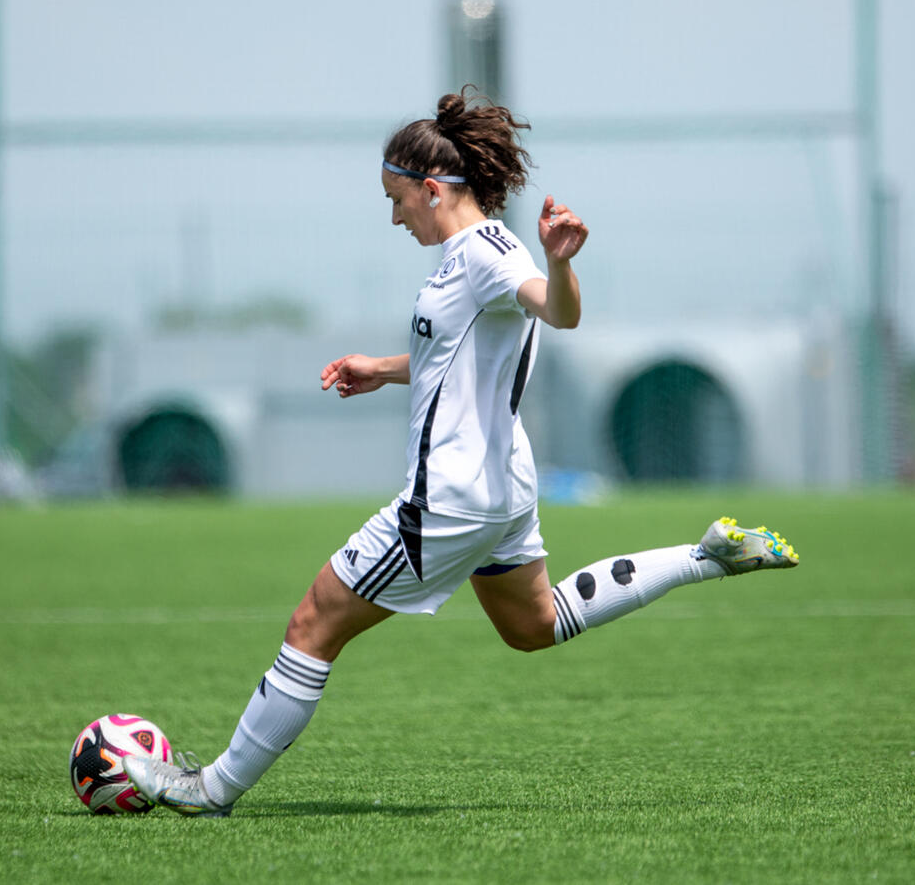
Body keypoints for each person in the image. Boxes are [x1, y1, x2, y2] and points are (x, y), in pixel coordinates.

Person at [123, 89, 800, 816]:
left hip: (448, 495)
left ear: (432, 189)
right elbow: (459, 357)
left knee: (313, 624)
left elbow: (557, 311)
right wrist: (382, 368)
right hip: (502, 486)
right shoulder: (467, 259)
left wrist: (561, 264)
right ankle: (704, 557)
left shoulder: (484, 253)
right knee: (534, 625)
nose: (393, 216)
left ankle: (212, 790)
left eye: (396, 199)